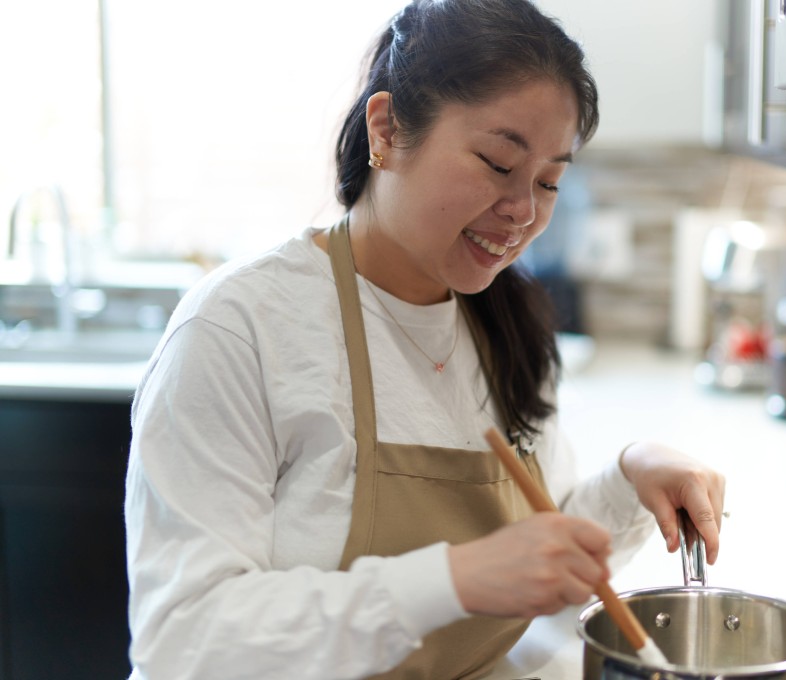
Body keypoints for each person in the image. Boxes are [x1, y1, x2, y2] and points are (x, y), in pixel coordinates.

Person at [124, 1, 726, 678]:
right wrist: (451, 579)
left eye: (550, 181)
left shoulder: (508, 322)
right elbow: (181, 637)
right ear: (386, 131)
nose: (524, 212)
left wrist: (628, 478)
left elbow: (538, 556)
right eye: (499, 163)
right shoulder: (242, 327)